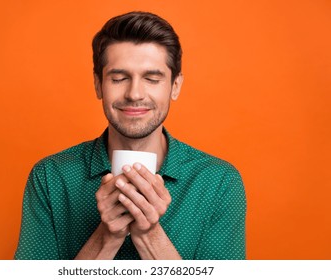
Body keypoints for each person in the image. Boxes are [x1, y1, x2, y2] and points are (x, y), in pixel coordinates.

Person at [14, 11, 246, 260]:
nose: (134, 93)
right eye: (119, 78)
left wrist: (149, 234)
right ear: (98, 85)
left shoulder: (219, 182)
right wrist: (108, 236)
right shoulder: (51, 177)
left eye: (152, 78)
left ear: (175, 86)